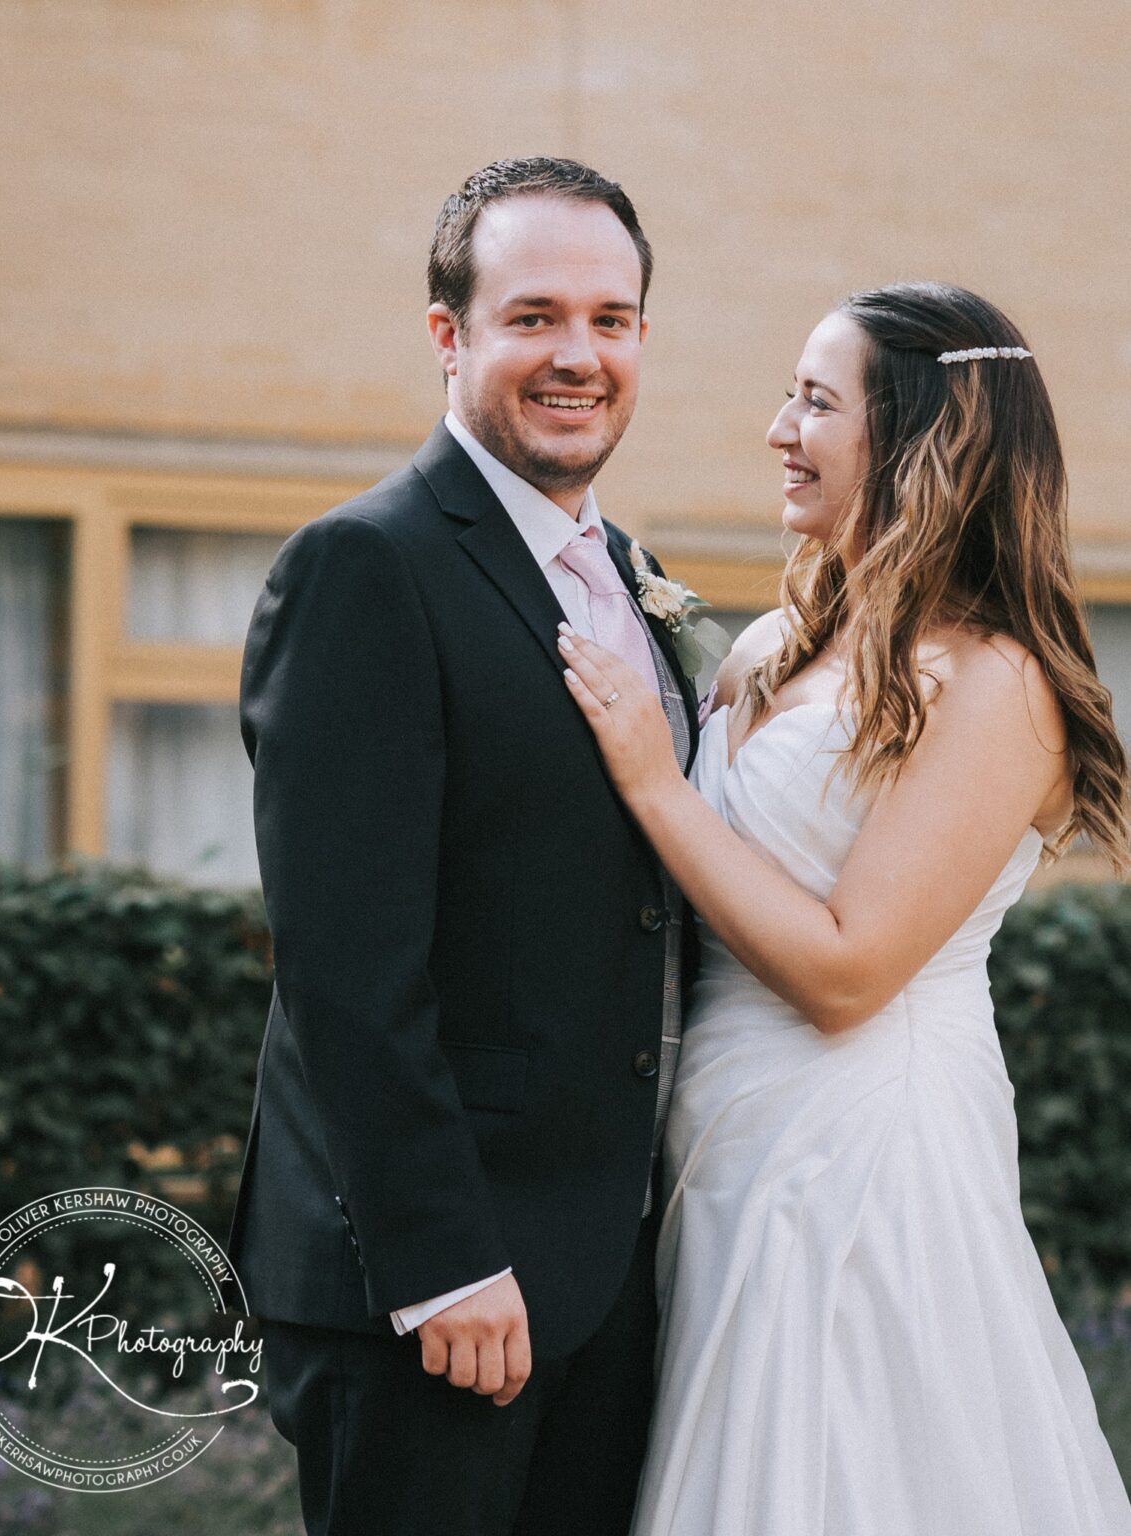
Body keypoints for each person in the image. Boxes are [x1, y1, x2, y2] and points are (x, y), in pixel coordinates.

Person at [559, 281, 1131, 1534]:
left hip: (860, 1154)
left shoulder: (995, 684)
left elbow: (844, 970)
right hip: (712, 1146)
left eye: (816, 402)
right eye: (788, 393)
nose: (778, 427)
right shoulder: (777, 641)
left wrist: (656, 787)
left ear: (922, 441)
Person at [226, 157, 701, 1536]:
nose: (578, 355)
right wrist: (440, 1262)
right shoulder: (365, 567)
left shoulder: (635, 580)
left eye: (610, 321)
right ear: (448, 336)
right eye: (534, 315)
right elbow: (347, 958)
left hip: (606, 1271)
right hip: (434, 1287)